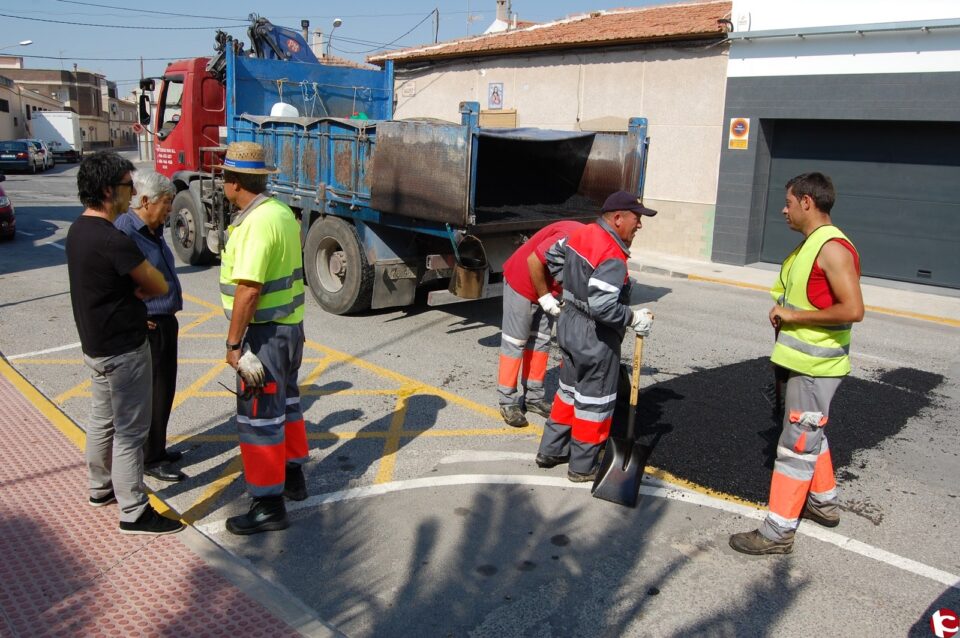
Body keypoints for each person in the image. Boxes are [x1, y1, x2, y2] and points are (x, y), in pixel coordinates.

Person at [730, 172, 864, 555]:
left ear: (808, 202)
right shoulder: (810, 245)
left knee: (796, 447)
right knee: (809, 430)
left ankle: (777, 533)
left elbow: (853, 309)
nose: (783, 209)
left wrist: (792, 316)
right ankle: (823, 503)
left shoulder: (832, 248)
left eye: (788, 202)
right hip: (797, 361)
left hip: (814, 367)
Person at [66, 151, 183, 536]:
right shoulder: (114, 240)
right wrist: (137, 292)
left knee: (102, 421)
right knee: (131, 433)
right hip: (124, 348)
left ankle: (100, 488)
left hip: (95, 346)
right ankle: (133, 510)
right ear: (106, 190)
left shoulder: (78, 231)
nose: (132, 195)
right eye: (126, 187)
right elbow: (157, 285)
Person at [535, 191, 655, 482]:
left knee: (567, 390)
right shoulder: (612, 255)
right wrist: (633, 318)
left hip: (569, 323)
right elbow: (603, 307)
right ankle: (582, 465)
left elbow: (552, 256)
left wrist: (574, 290)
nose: (639, 226)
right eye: (636, 219)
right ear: (617, 218)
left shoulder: (582, 234)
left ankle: (551, 450)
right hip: (595, 336)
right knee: (595, 401)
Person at [219, 141, 307, 536]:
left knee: (260, 418)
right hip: (289, 329)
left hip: (264, 334)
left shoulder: (255, 223)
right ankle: (293, 477)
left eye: (225, 176)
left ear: (235, 182)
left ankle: (268, 503)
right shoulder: (281, 212)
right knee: (286, 403)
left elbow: (249, 289)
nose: (222, 183)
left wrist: (234, 344)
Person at [115, 171, 185, 483]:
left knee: (164, 389)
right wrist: (134, 315)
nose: (169, 209)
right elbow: (113, 280)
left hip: (164, 321)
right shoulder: (126, 231)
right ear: (145, 201)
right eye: (166, 203)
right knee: (152, 393)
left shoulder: (151, 229)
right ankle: (150, 457)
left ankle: (157, 447)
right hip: (149, 323)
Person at [497, 221, 584, 427]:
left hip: (550, 289)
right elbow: (534, 259)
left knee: (541, 342)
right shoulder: (571, 237)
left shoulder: (592, 245)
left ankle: (534, 398)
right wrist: (544, 297)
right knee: (515, 343)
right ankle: (507, 401)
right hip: (522, 282)